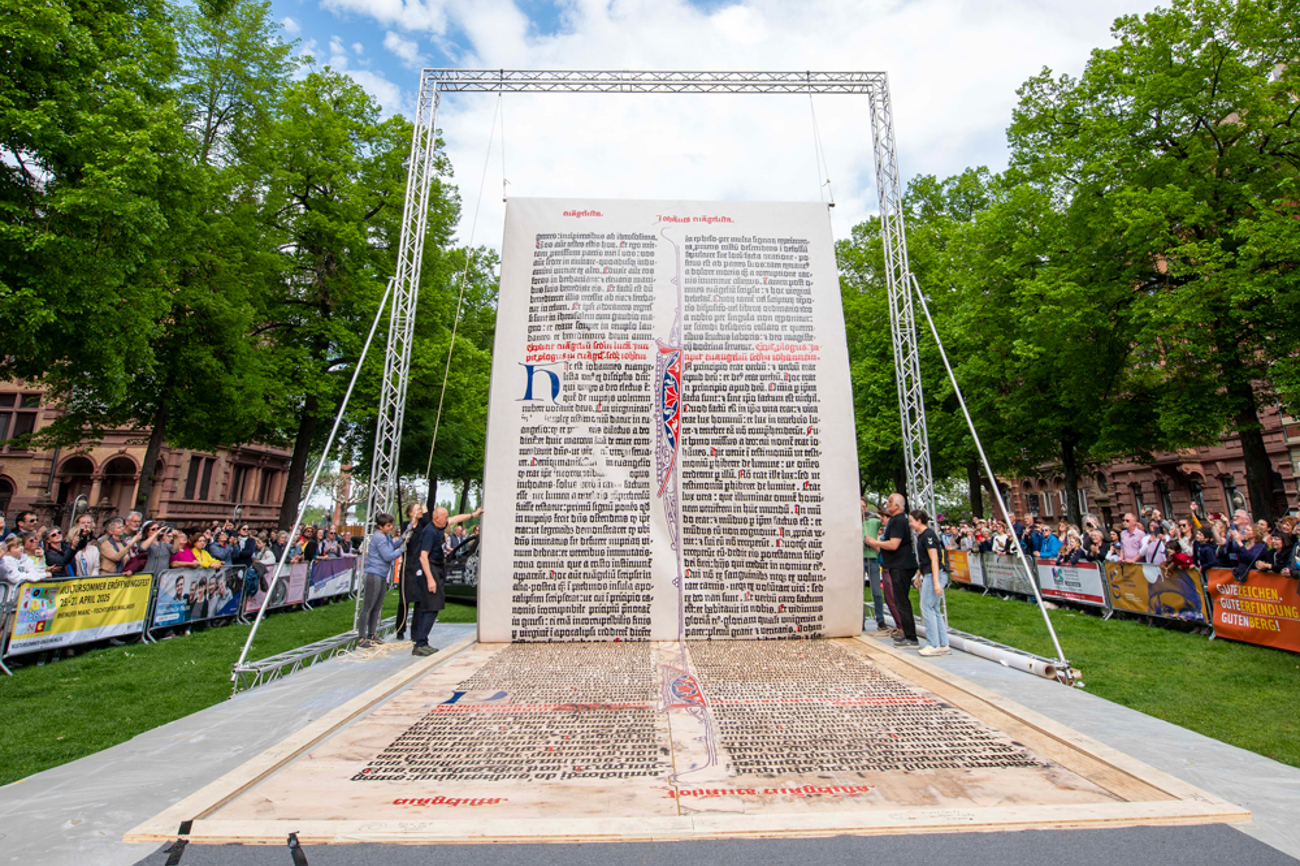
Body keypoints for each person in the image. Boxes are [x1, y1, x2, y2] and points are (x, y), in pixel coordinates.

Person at [409, 505, 483, 656]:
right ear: (437, 518)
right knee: (431, 607)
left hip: (437, 568)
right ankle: (420, 643)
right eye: (445, 517)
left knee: (431, 607)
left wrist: (473, 514)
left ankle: (422, 641)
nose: (448, 519)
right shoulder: (429, 532)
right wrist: (430, 579)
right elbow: (423, 557)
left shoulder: (440, 526)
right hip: (431, 568)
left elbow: (456, 519)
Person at [864, 493, 918, 649]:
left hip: (900, 565)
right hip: (895, 565)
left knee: (902, 601)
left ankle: (911, 637)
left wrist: (875, 542)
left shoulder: (899, 521)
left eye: (890, 501)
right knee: (898, 600)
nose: (887, 503)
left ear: (897, 506)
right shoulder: (896, 521)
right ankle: (907, 633)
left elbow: (894, 544)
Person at [359, 513, 405, 647]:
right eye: (388, 525)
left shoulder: (386, 536)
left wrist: (402, 539)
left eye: (391, 525)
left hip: (382, 574)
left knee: (377, 606)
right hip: (374, 574)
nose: (391, 528)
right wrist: (401, 551)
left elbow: (393, 545)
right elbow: (387, 556)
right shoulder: (379, 537)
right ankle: (362, 637)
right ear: (380, 526)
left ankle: (372, 634)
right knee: (368, 606)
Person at [908, 509, 949, 657]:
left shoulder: (928, 535)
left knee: (927, 607)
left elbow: (934, 559)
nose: (911, 524)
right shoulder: (922, 536)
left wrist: (936, 582)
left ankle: (933, 644)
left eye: (912, 521)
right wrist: (918, 576)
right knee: (934, 609)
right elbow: (925, 560)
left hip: (934, 574)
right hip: (929, 573)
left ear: (919, 521)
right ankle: (943, 643)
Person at [861, 498, 886, 631]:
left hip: (872, 559)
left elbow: (885, 521)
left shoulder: (873, 522)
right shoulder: (853, 521)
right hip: (858, 559)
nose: (861, 509)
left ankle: (880, 620)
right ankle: (861, 619)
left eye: (863, 507)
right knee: (859, 592)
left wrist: (874, 514)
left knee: (876, 592)